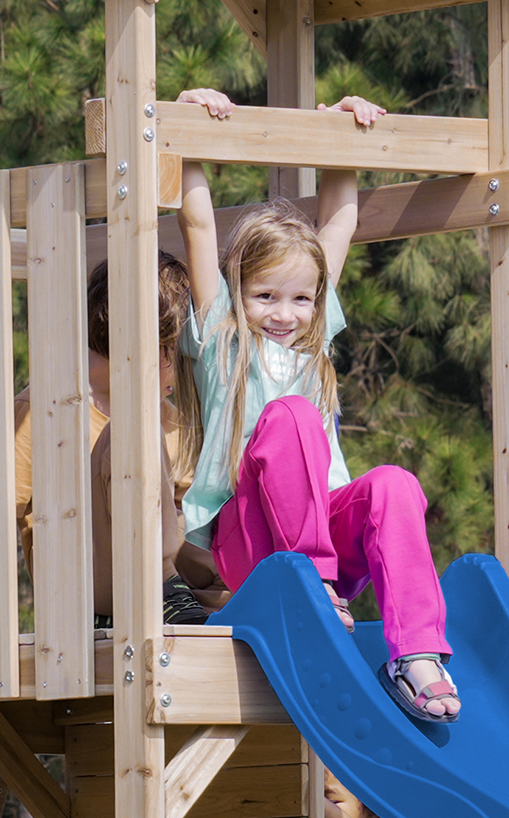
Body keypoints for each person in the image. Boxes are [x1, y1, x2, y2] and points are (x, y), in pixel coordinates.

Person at [172, 88, 460, 723]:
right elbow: (196, 222)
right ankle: (315, 587)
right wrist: (187, 130)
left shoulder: (312, 340)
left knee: (392, 484)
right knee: (293, 419)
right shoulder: (224, 337)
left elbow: (340, 223)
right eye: (265, 295)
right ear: (236, 294)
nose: (284, 314)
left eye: (301, 300)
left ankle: (415, 654)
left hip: (322, 539)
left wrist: (342, 140)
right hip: (251, 541)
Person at [11, 253, 214, 626]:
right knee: (133, 428)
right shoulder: (44, 408)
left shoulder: (171, 416)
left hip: (169, 581)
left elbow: (189, 510)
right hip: (83, 583)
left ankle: (230, 597)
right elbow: (2, 514)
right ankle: (165, 590)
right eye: (178, 353)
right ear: (145, 342)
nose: (186, 370)